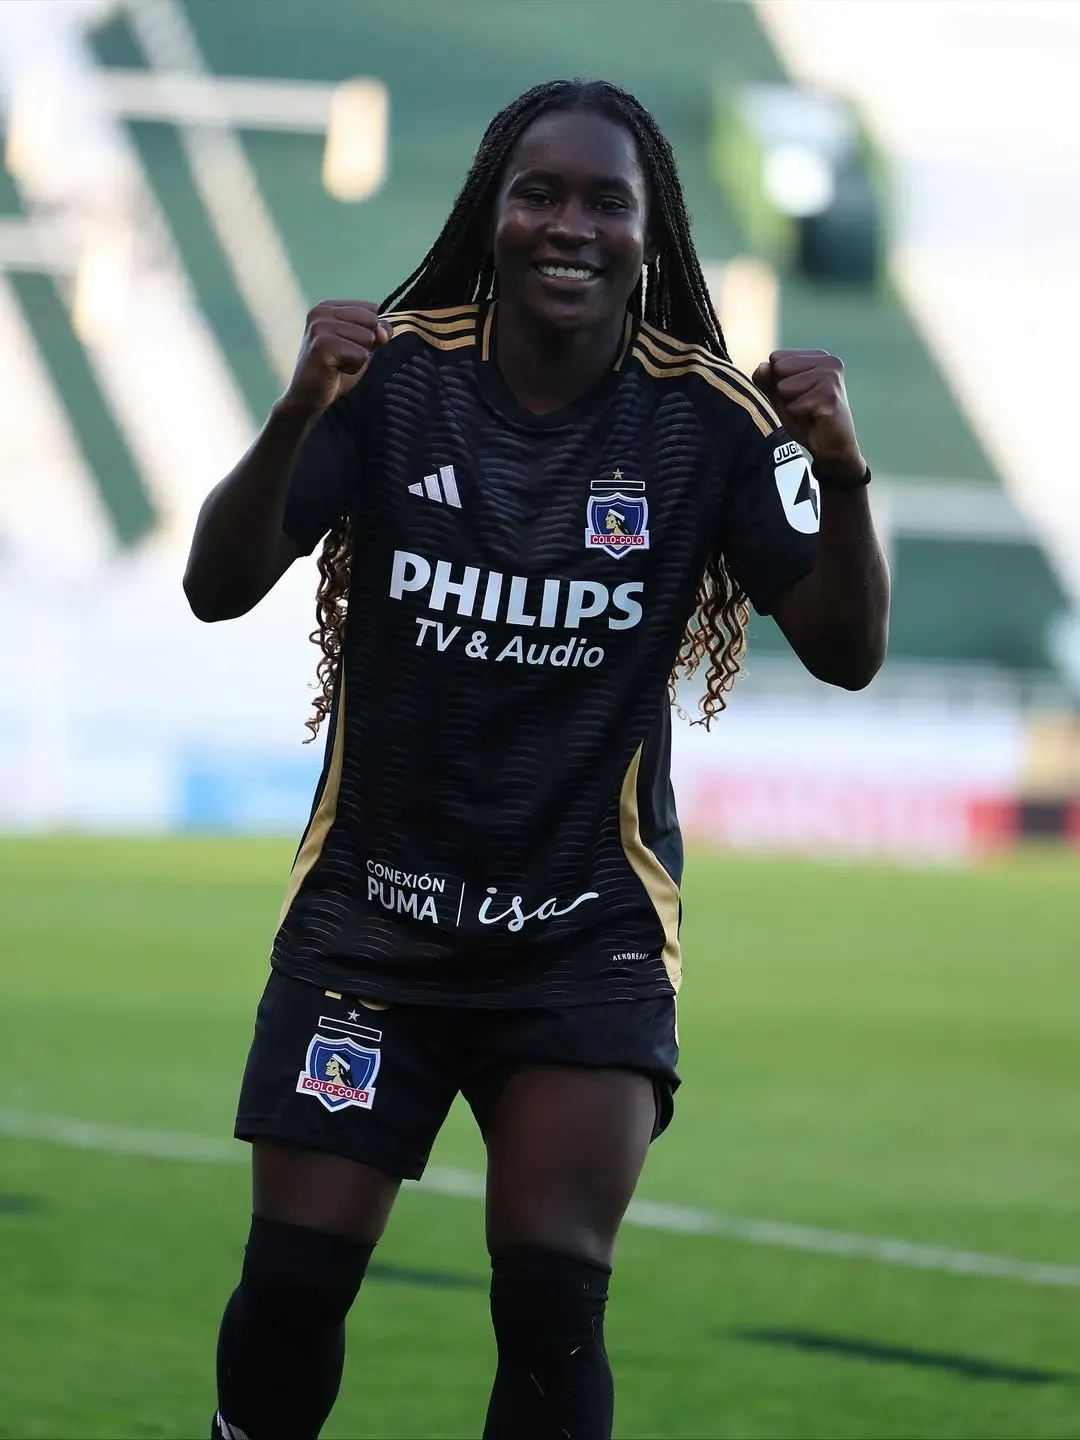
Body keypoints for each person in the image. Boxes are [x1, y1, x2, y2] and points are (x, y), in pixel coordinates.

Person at [184, 77, 889, 1440]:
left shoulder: (707, 424)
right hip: (371, 931)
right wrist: (293, 413)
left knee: (553, 1308)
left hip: (583, 940)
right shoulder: (391, 382)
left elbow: (847, 649)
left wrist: (846, 473)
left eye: (604, 202)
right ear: (492, 217)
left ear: (650, 234)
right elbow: (218, 584)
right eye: (539, 193)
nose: (570, 224)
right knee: (292, 1285)